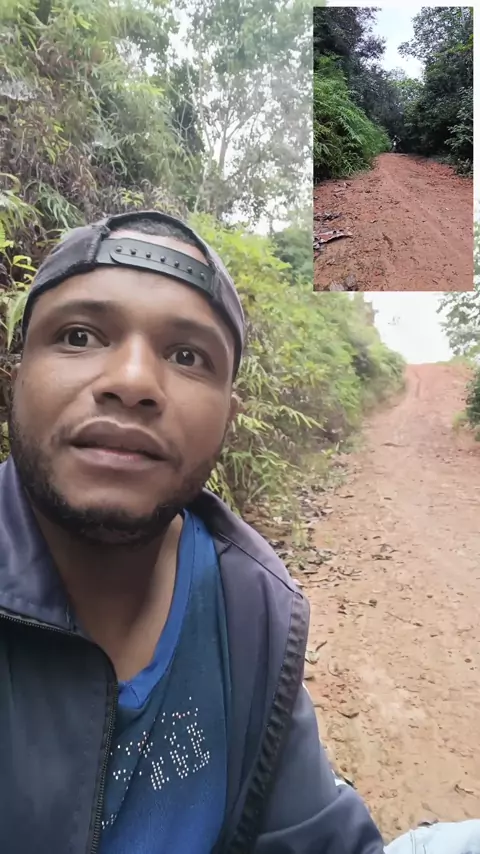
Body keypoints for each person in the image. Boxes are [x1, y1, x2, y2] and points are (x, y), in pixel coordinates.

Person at [0, 209, 386, 853]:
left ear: (230, 416)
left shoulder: (253, 610)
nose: (132, 382)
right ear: (17, 374)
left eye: (187, 356)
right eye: (78, 336)